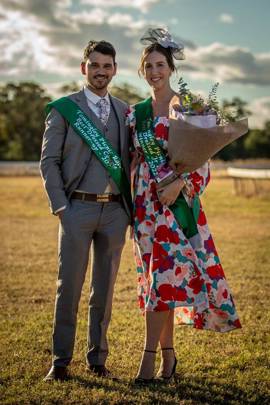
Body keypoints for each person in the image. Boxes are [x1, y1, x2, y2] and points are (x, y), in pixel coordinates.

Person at [128, 28, 241, 384]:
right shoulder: (136, 114)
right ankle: (169, 359)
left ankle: (149, 360)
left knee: (164, 281)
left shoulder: (191, 108)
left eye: (160, 64)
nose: (154, 72)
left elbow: (201, 163)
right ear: (141, 70)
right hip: (147, 207)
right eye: (148, 66)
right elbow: (132, 160)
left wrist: (179, 184)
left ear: (171, 67)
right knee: (157, 284)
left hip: (177, 207)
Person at [40, 40, 131, 381]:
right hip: (75, 207)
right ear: (84, 68)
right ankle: (60, 361)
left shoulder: (125, 111)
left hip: (114, 213)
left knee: (104, 290)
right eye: (94, 65)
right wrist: (60, 206)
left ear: (114, 70)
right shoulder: (65, 109)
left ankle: (97, 358)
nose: (100, 71)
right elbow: (48, 162)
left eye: (106, 66)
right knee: (69, 286)